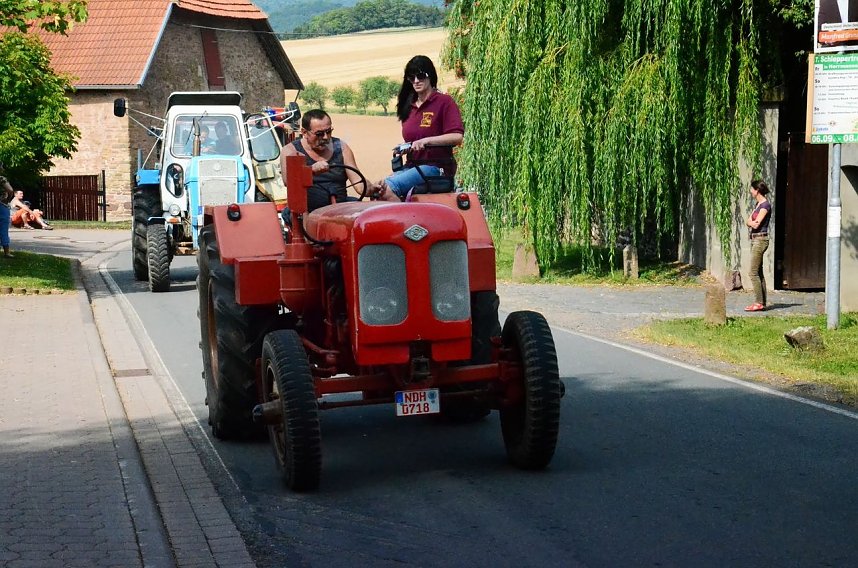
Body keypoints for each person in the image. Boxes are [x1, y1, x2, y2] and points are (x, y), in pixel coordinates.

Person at [375, 55, 464, 201]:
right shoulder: (408, 107)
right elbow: (413, 140)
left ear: (430, 76)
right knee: (378, 190)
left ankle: (406, 216)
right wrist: (405, 148)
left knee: (388, 189)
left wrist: (426, 141)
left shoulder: (444, 102)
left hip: (436, 168)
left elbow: (457, 136)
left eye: (421, 76)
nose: (416, 81)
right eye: (411, 77)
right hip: (412, 166)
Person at [282, 109, 369, 212]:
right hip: (307, 213)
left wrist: (374, 188)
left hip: (340, 210)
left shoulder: (341, 147)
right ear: (304, 132)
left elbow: (359, 184)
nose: (325, 137)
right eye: (319, 134)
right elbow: (288, 181)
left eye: (328, 132)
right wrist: (310, 171)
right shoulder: (291, 151)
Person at [745, 179, 771, 312]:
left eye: (752, 189)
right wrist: (751, 222)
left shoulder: (765, 205)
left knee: (752, 272)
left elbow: (756, 224)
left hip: (760, 240)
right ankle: (762, 303)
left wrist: (751, 222)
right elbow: (748, 221)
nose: (750, 191)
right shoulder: (758, 204)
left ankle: (758, 302)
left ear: (757, 190)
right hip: (755, 239)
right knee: (759, 272)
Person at [0, 162, 13, 257]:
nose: (3, 168)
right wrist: (8, 199)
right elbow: (10, 190)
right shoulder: (1, 178)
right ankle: (7, 252)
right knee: (3, 229)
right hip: (2, 205)